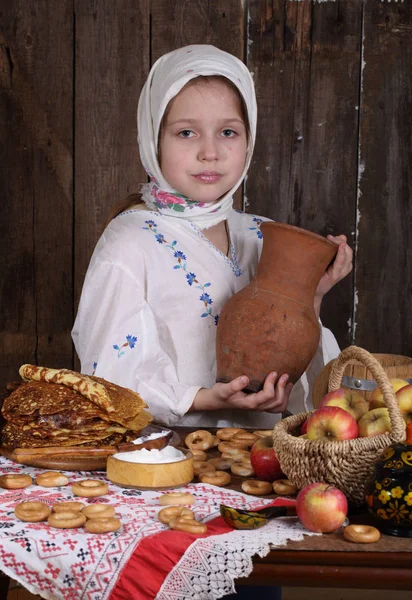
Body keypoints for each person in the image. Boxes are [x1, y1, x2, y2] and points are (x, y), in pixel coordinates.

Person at [72, 44, 353, 430]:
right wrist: (206, 398)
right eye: (186, 132)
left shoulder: (262, 234)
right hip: (165, 458)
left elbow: (303, 374)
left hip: (261, 459)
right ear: (154, 139)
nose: (210, 152)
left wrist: (311, 294)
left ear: (249, 139)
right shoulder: (130, 241)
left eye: (228, 132)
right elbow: (107, 377)